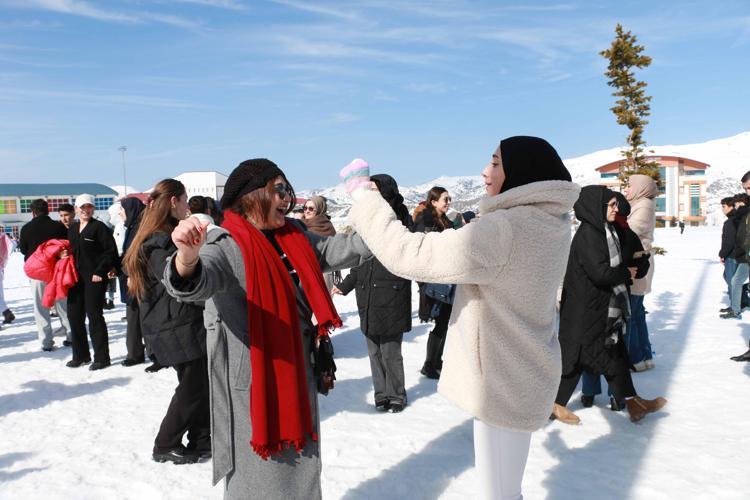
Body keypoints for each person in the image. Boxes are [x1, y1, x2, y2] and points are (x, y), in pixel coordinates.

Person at [341, 137, 580, 500]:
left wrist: (364, 198)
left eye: (496, 163)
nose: (485, 171)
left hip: (499, 381)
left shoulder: (505, 229)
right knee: (507, 490)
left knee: (500, 495)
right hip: (526, 369)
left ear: (522, 172)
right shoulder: (551, 222)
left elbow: (410, 253)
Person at [164, 159, 371, 497]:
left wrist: (380, 226)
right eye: (278, 190)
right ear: (252, 195)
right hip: (257, 382)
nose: (286, 198)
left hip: (296, 369)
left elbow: (338, 249)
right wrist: (186, 258)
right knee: (261, 482)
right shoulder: (227, 244)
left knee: (300, 472)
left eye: (287, 189)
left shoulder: (294, 235)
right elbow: (195, 283)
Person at [553, 185, 667, 426]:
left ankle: (633, 403)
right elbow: (600, 273)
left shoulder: (606, 231)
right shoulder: (588, 234)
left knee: (613, 356)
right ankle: (556, 404)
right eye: (612, 204)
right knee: (575, 360)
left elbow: (615, 262)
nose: (617, 208)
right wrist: (627, 273)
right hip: (584, 311)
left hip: (600, 308)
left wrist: (634, 265)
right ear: (597, 207)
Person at [123, 179, 210, 464]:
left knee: (198, 383)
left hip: (177, 322)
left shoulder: (158, 234)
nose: (187, 206)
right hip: (174, 325)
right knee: (192, 387)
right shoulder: (160, 240)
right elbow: (173, 276)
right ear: (173, 201)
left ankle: (202, 439)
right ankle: (165, 443)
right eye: (184, 200)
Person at [332, 174, 412, 413]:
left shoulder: (399, 219)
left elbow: (410, 254)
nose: (371, 194)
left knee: (390, 351)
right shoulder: (367, 218)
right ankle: (381, 394)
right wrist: (347, 284)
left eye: (375, 190)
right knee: (374, 350)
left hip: (391, 292)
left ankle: (396, 394)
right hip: (367, 292)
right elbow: (360, 259)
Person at [66, 194, 118, 369]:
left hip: (94, 278)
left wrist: (100, 271)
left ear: (93, 209)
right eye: (82, 207)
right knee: (74, 316)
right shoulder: (72, 229)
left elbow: (110, 252)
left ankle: (102, 358)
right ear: (76, 209)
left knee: (94, 316)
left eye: (89, 207)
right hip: (75, 279)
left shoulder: (99, 228)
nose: (85, 210)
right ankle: (80, 355)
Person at [414, 186, 455, 379]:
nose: (448, 202)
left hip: (447, 278)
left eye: (449, 199)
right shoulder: (425, 222)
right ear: (434, 201)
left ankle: (437, 360)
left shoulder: (446, 221)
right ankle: (429, 364)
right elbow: (420, 251)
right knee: (441, 321)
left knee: (445, 321)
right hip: (433, 279)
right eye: (445, 199)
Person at [19, 198, 71, 351]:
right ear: (48, 210)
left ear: (33, 212)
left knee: (41, 307)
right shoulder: (58, 227)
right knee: (63, 304)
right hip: (57, 269)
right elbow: (66, 245)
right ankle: (71, 335)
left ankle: (46, 341)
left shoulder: (26, 228)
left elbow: (23, 249)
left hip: (38, 272)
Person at [626, 174, 658, 371]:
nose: (626, 189)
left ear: (641, 188)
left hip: (637, 265)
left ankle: (636, 358)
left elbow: (630, 230)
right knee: (637, 313)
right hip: (639, 262)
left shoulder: (643, 206)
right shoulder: (640, 204)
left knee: (630, 314)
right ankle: (645, 357)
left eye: (630, 186)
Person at [119, 197, 147, 366]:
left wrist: (130, 274)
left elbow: (137, 255)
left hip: (137, 280)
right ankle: (136, 353)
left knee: (139, 317)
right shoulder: (132, 227)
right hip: (132, 278)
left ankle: (138, 354)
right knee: (135, 317)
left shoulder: (139, 229)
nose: (120, 214)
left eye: (122, 210)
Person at [302, 195, 338, 290]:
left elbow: (333, 251)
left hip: (323, 271)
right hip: (303, 271)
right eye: (305, 208)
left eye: (311, 208)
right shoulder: (300, 225)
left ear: (319, 209)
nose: (307, 211)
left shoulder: (325, 226)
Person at [0, 231, 15, 325]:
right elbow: (13, 244)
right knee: (0, 294)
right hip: (0, 267)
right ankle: (6, 313)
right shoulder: (3, 237)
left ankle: (6, 312)